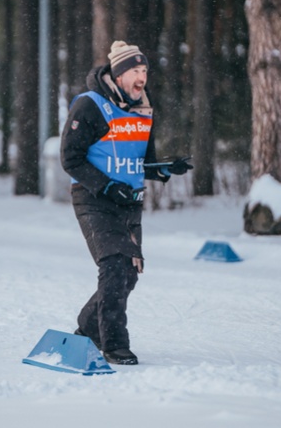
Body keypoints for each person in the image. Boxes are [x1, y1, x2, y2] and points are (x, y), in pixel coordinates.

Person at [60, 40, 193, 365]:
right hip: (94, 199)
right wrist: (105, 187)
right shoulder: (90, 105)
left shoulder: (144, 109)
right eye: (135, 70)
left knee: (129, 273)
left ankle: (87, 330)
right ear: (118, 75)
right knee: (115, 266)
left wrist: (165, 168)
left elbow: (142, 161)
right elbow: (70, 158)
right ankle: (115, 345)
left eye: (144, 70)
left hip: (130, 202)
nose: (141, 77)